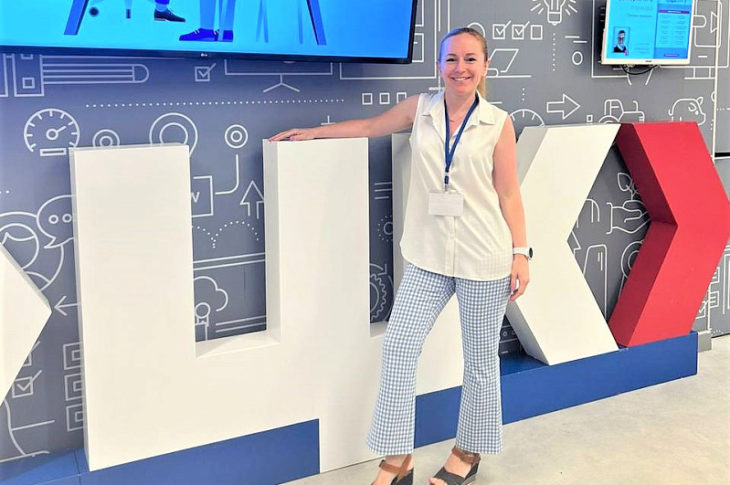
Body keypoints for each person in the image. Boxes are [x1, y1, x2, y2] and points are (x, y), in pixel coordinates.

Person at [270, 27, 530, 485]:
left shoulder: (497, 123)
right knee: (398, 347)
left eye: (470, 59)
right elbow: (370, 127)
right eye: (451, 59)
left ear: (486, 66)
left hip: (483, 255)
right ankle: (398, 459)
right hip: (429, 255)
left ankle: (467, 453)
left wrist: (520, 252)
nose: (460, 68)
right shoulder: (421, 108)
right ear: (439, 65)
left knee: (479, 361)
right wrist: (313, 134)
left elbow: (508, 192)